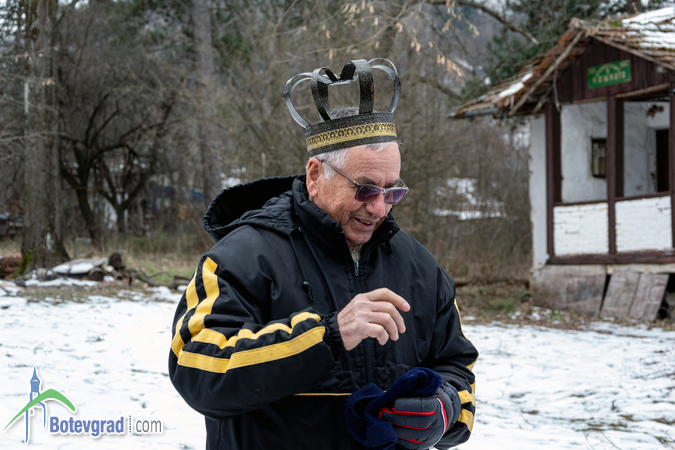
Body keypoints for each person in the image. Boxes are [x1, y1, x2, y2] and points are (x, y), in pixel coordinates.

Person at [169, 59, 478, 450]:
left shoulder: (421, 268)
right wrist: (327, 336)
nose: (379, 208)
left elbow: (457, 368)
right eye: (365, 189)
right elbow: (196, 370)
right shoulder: (240, 257)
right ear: (316, 175)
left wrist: (443, 409)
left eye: (392, 191)